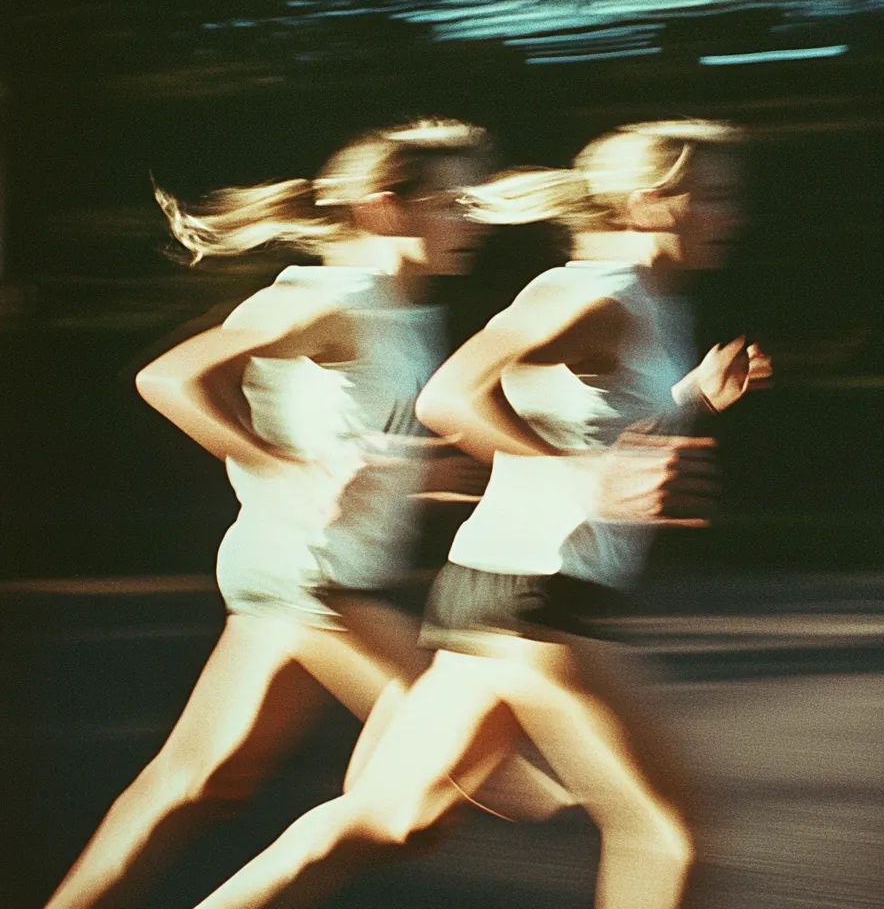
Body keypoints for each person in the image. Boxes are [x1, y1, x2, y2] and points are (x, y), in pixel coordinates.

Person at [185, 119, 770, 909]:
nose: (734, 216)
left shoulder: (647, 300)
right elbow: (452, 395)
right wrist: (581, 478)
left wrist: (692, 397)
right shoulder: (595, 291)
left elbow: (589, 418)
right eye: (718, 197)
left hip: (492, 593)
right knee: (665, 836)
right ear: (652, 200)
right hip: (542, 603)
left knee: (385, 820)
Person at [43, 119, 570, 909]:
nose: (473, 223)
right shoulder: (335, 296)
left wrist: (423, 471)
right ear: (386, 207)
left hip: (302, 574)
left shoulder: (404, 310)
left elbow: (348, 430)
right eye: (454, 202)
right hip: (314, 580)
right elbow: (170, 379)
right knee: (472, 779)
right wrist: (283, 471)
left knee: (196, 784)